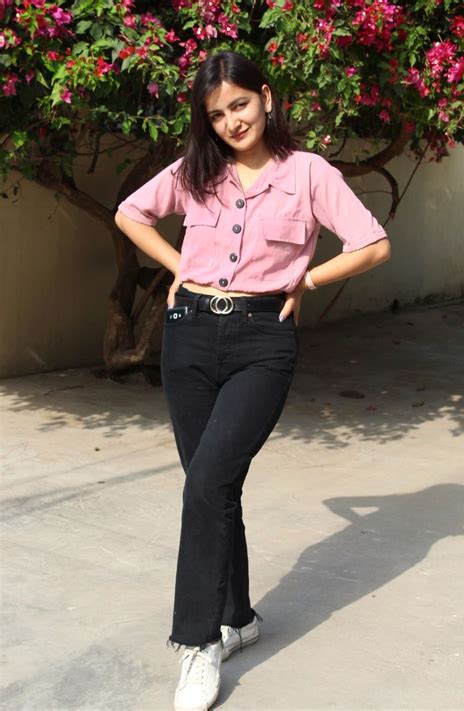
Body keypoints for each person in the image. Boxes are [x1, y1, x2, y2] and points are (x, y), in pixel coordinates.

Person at [115, 50, 391, 711]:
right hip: (187, 335)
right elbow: (130, 212)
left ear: (266, 98)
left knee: (207, 482)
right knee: (213, 486)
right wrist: (180, 264)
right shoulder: (196, 172)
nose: (232, 121)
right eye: (217, 114)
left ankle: (197, 643)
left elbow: (373, 243)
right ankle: (237, 616)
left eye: (240, 104)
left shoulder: (309, 174)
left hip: (263, 340)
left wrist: (309, 278)